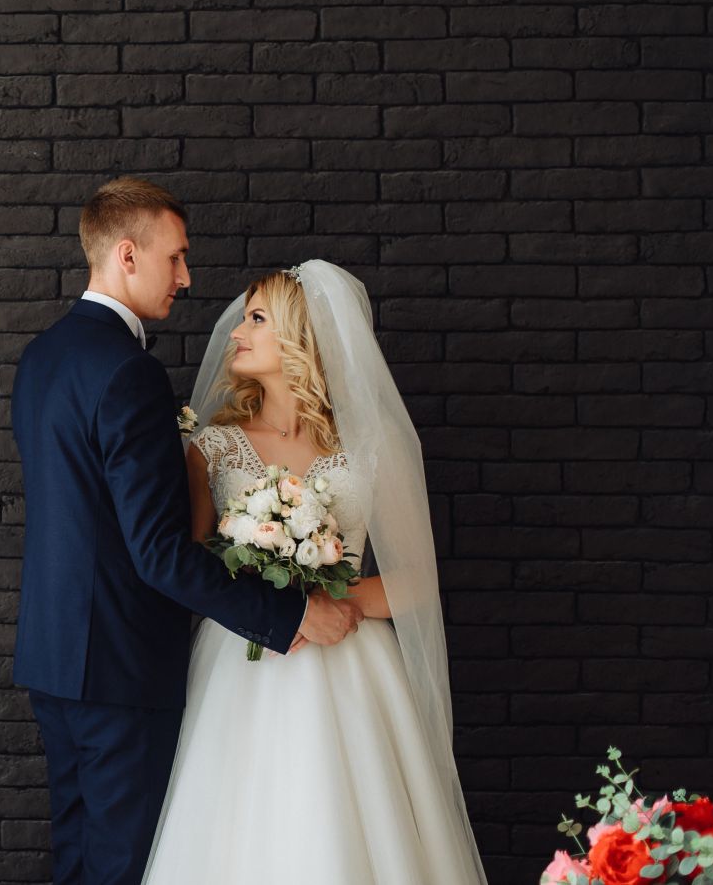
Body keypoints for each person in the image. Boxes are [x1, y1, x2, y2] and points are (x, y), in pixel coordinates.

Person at [10, 178, 362, 885]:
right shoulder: (129, 373)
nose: (187, 277)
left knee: (77, 860)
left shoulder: (41, 358)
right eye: (175, 257)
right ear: (128, 255)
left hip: (51, 658)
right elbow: (159, 553)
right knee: (120, 867)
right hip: (120, 668)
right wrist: (289, 614)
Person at [141, 261, 488, 884]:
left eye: (256, 319)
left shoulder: (372, 446)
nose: (236, 332)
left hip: (354, 663)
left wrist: (334, 603)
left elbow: (416, 581)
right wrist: (286, 607)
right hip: (245, 663)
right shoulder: (212, 446)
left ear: (299, 336)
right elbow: (194, 566)